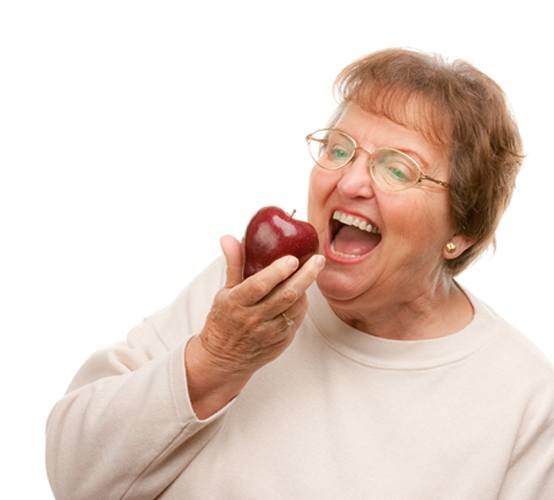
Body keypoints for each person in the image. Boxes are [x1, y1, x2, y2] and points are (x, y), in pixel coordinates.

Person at [46, 48, 554, 499]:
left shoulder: (524, 400)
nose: (350, 180)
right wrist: (215, 359)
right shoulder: (244, 294)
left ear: (462, 230)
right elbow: (75, 477)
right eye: (338, 149)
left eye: (397, 168)